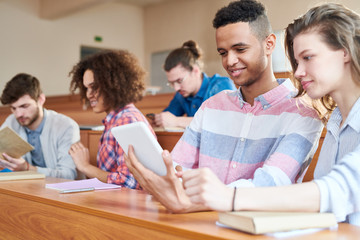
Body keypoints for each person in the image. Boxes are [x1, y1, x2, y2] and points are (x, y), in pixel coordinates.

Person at [125, 0, 324, 212]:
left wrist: (192, 198)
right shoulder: (212, 107)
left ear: (269, 44)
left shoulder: (303, 113)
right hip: (195, 223)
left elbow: (269, 185)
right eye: (223, 52)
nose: (230, 61)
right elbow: (177, 169)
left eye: (240, 49)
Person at [176, 3, 360, 226]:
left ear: (345, 52)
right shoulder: (335, 122)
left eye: (308, 57)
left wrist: (228, 197)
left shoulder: (308, 115)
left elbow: (339, 189)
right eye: (297, 61)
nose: (298, 72)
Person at [68, 50, 155, 189]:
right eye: (86, 88)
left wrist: (85, 167)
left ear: (114, 84)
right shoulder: (114, 120)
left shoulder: (127, 120)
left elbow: (127, 183)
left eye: (94, 87)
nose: (89, 94)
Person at [0, 73, 80, 179]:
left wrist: (27, 168)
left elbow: (68, 175)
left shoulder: (66, 126)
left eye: (24, 106)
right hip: (26, 188)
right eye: (13, 108)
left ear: (41, 99)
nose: (18, 114)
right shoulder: (12, 122)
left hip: (59, 192)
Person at [151, 40, 236, 128]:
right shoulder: (181, 95)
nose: (176, 88)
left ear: (196, 71)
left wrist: (177, 121)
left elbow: (226, 121)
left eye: (179, 81)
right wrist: (159, 120)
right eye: (172, 83)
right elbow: (167, 118)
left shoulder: (222, 85)